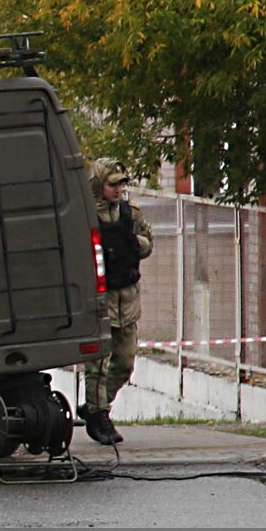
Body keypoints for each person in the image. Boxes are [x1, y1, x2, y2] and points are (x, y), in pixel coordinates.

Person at [80, 159, 153, 445]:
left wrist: (135, 244)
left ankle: (94, 405)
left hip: (127, 298)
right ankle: (99, 415)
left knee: (123, 363)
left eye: (122, 184)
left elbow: (148, 240)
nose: (119, 190)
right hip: (100, 299)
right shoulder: (85, 215)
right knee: (97, 364)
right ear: (100, 184)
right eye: (113, 184)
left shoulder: (129, 213)